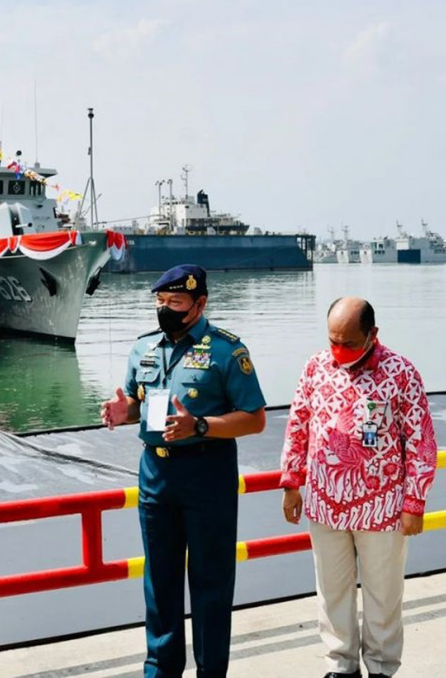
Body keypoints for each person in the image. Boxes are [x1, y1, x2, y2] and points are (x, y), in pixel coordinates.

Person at [100, 264, 267, 678]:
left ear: (200, 304)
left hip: (207, 473)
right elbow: (142, 403)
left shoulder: (227, 351)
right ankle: (160, 669)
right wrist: (125, 413)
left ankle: (211, 672)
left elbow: (254, 418)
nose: (166, 310)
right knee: (160, 581)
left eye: (175, 302)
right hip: (156, 474)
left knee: (210, 583)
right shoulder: (144, 349)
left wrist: (202, 426)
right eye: (161, 302)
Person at [280, 297, 437, 678]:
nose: (340, 349)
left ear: (372, 335)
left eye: (349, 342)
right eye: (333, 339)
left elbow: (420, 440)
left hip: (380, 506)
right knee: (332, 590)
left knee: (383, 595)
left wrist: (414, 501)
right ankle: (340, 665)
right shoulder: (316, 367)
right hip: (325, 501)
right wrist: (290, 481)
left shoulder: (400, 372)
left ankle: (381, 667)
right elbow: (298, 423)